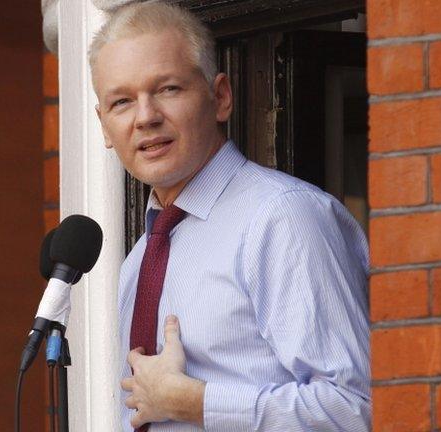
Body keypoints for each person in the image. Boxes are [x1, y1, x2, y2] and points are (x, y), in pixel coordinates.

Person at [89, 1, 370, 430]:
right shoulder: (141, 258)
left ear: (220, 97)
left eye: (168, 89)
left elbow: (355, 409)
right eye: (122, 101)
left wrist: (197, 402)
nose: (145, 117)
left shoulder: (282, 218)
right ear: (106, 128)